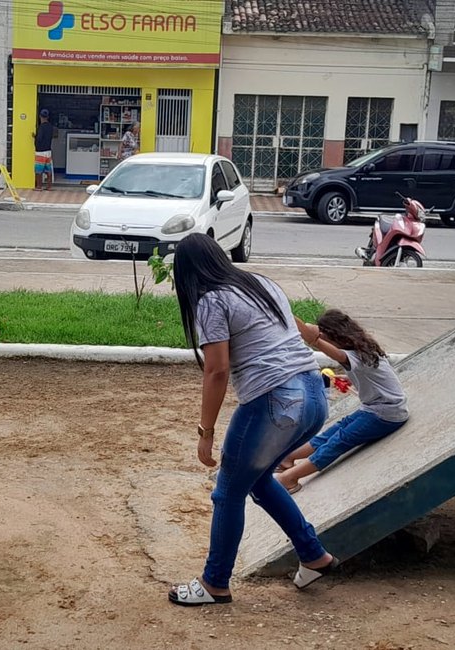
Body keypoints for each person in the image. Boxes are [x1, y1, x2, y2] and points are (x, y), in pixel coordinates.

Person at [167, 233, 338, 607]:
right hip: (313, 395)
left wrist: (205, 433)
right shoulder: (259, 283)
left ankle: (215, 583)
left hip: (276, 401)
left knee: (228, 490)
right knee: (258, 480)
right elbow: (303, 331)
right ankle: (313, 555)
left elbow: (216, 371)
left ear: (186, 275)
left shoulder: (211, 300)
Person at [274, 310, 409, 494]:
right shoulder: (364, 348)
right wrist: (349, 378)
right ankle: (288, 458)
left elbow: (321, 345)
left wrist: (311, 335)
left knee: (339, 441)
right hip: (377, 408)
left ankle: (289, 478)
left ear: (335, 336)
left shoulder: (350, 355)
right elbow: (373, 376)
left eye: (326, 337)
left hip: (386, 414)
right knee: (333, 431)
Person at [33, 109, 55, 191]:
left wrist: (34, 137)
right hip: (48, 151)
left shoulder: (41, 127)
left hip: (40, 151)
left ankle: (39, 186)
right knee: (48, 169)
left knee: (38, 170)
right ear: (48, 117)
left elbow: (39, 138)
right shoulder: (50, 127)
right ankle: (49, 186)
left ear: (40, 117)